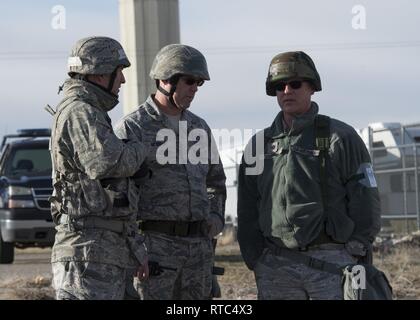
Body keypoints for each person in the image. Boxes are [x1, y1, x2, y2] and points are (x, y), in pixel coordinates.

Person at [237, 51, 381, 300]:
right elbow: (248, 205)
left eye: (295, 84)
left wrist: (356, 248)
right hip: (276, 265)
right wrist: (255, 256)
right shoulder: (259, 146)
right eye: (279, 86)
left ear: (311, 87)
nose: (286, 91)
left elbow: (365, 195)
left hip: (332, 262)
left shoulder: (340, 137)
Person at [115, 44, 226, 300]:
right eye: (190, 81)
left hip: (198, 252)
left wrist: (215, 217)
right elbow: (120, 196)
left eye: (199, 83)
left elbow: (215, 182)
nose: (195, 88)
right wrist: (135, 251)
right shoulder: (133, 128)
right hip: (153, 253)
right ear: (166, 80)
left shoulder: (199, 127)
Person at [49, 36, 149, 300]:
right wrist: (140, 148)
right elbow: (110, 162)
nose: (123, 81)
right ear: (101, 74)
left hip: (103, 252)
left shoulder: (91, 112)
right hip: (87, 255)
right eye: (120, 72)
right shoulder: (80, 111)